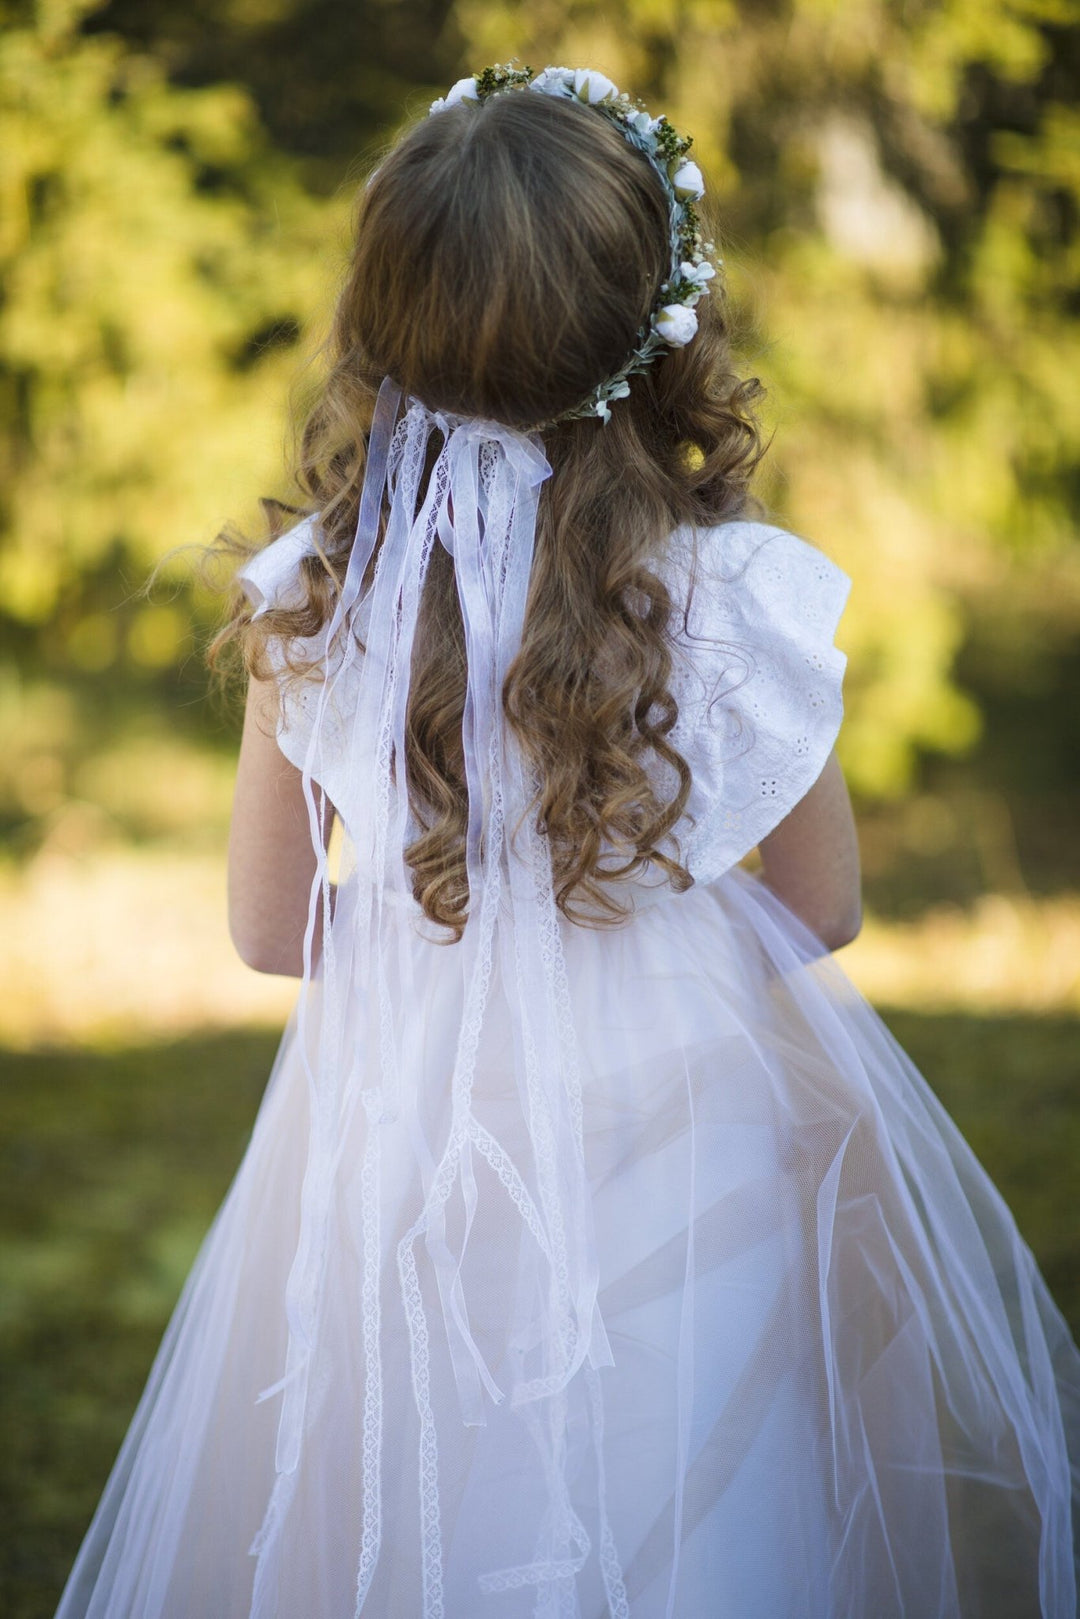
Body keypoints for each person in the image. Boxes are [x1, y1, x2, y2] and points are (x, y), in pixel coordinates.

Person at [56, 64, 1079, 1619]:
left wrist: (453, 957)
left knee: (430, 1470)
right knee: (690, 1463)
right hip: (683, 1125)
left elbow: (270, 932)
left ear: (383, 318)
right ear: (651, 324)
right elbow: (825, 910)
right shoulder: (733, 594)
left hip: (418, 1115)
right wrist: (630, 940)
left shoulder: (317, 595)